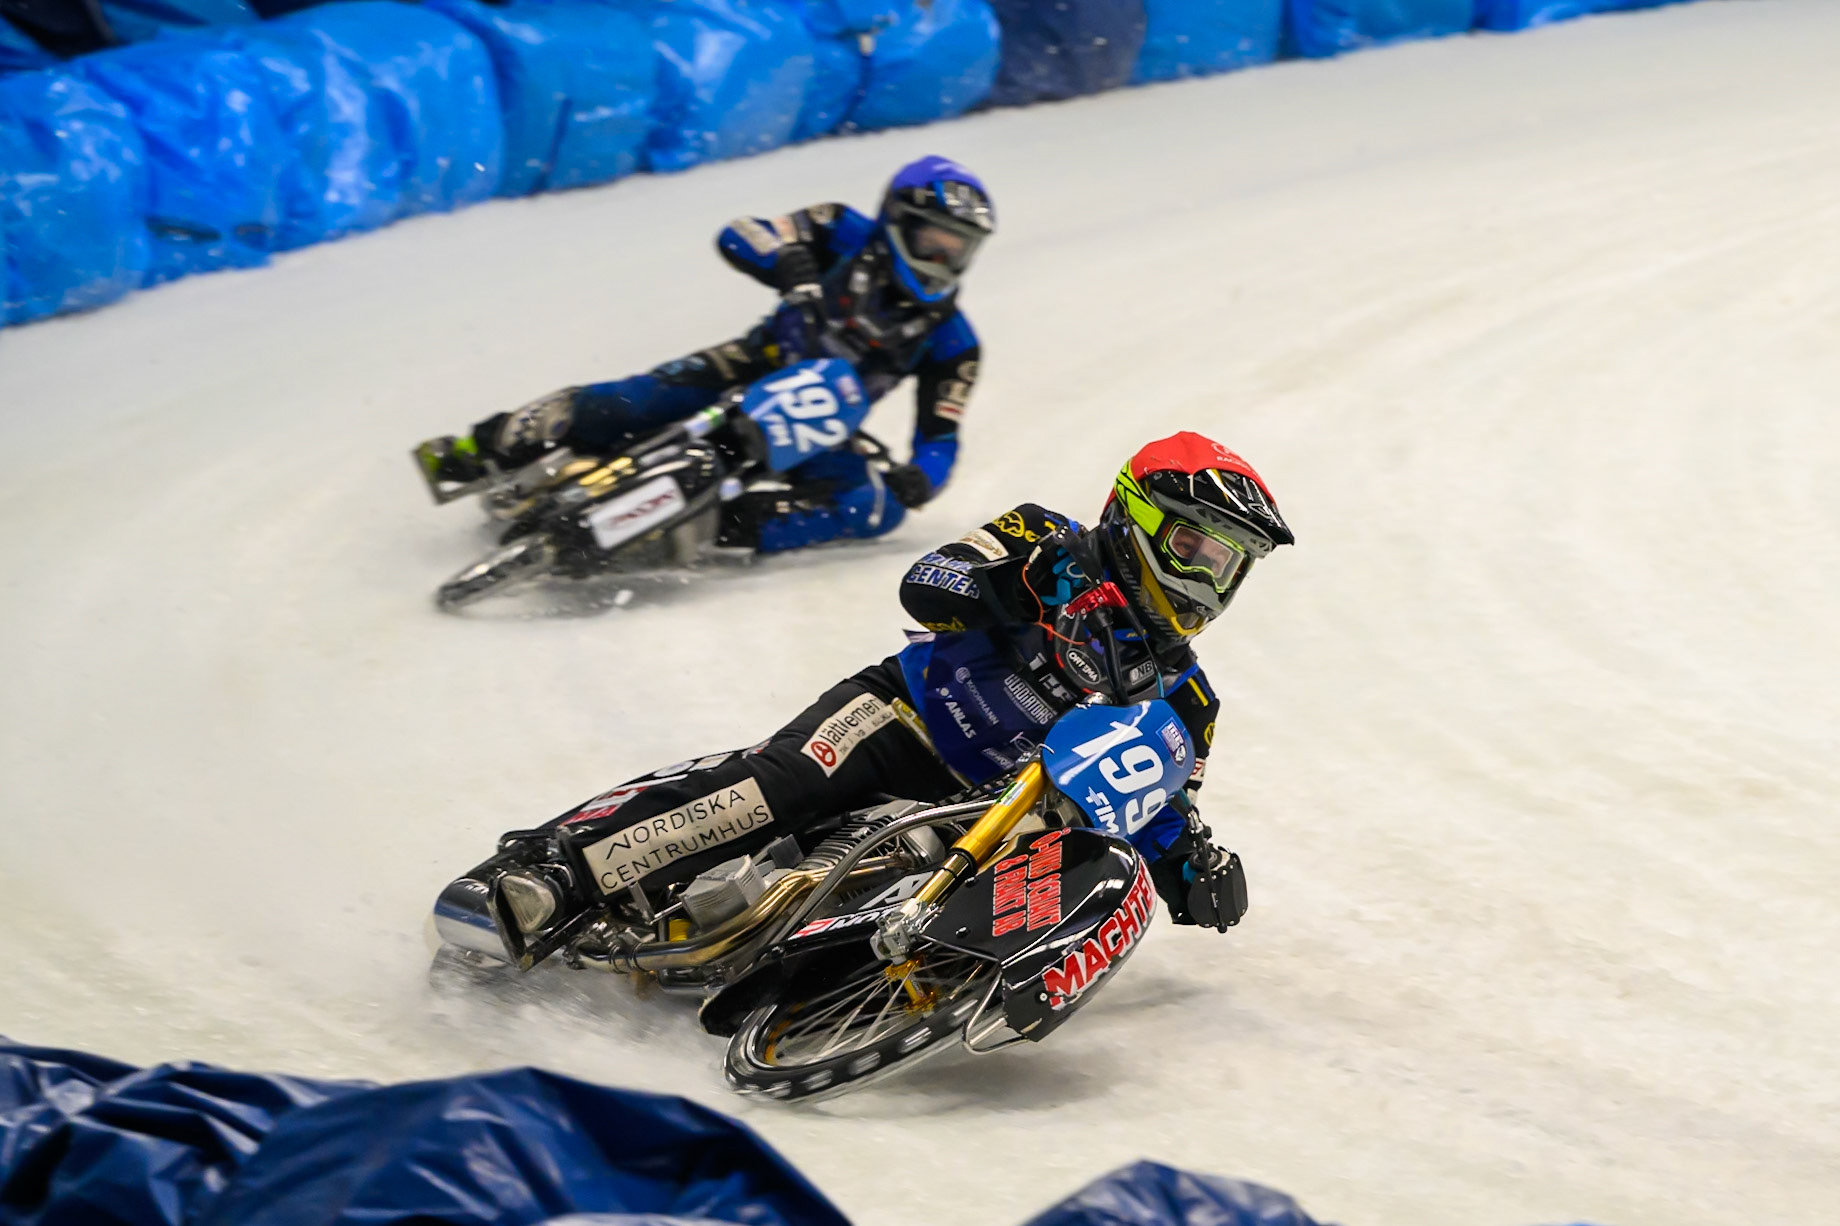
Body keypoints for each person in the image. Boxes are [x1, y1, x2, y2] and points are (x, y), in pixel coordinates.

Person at [540, 432, 1294, 931]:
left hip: (989, 817)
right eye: (1195, 545)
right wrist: (1021, 584)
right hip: (906, 718)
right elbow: (926, 583)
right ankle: (558, 876)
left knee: (1073, 877)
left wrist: (1192, 863)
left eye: (1227, 562)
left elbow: (1155, 796)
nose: (1208, 576)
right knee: (780, 788)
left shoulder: (1190, 699)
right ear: (1138, 517)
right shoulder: (1046, 535)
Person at [415, 155, 994, 554]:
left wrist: (921, 479)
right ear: (897, 220)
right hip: (751, 363)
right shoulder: (841, 228)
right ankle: (483, 447)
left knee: (875, 509)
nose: (942, 260)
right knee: (628, 403)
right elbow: (743, 232)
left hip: (817, 424)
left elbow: (941, 433)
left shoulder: (955, 340)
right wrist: (787, 259)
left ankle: (709, 529)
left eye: (957, 250)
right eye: (932, 241)